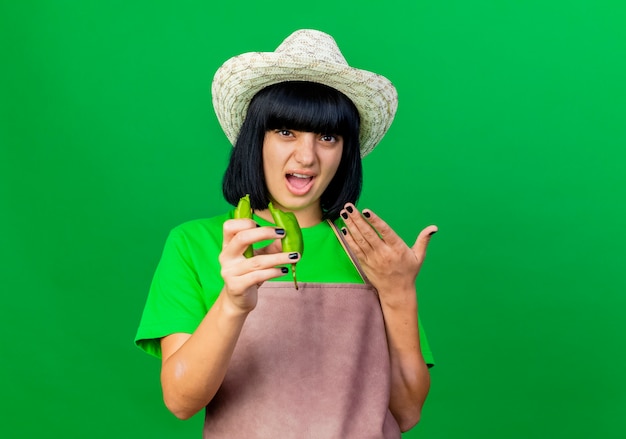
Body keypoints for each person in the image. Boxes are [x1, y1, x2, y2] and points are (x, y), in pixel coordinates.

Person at [135, 29, 437, 438]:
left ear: (345, 151)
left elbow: (406, 412)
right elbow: (181, 401)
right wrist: (234, 303)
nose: (307, 156)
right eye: (286, 132)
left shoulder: (374, 254)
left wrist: (400, 295)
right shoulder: (195, 244)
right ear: (254, 140)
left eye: (328, 137)